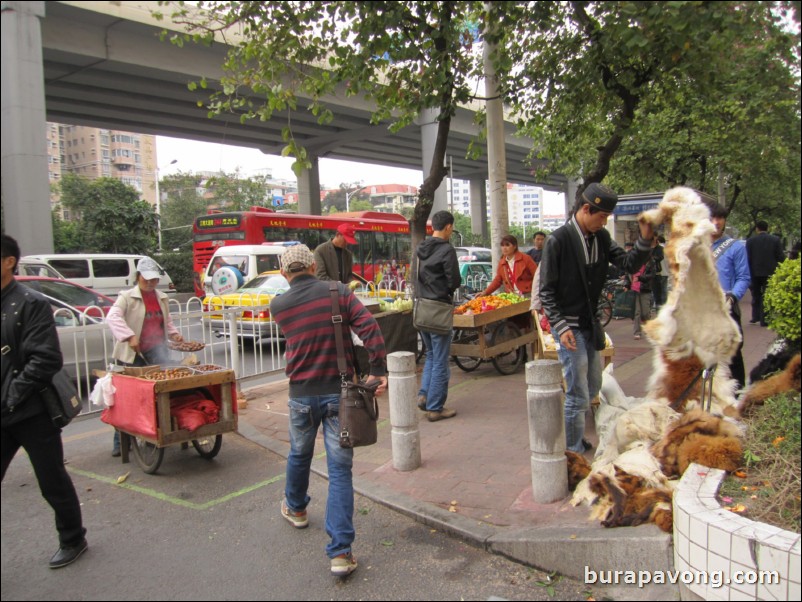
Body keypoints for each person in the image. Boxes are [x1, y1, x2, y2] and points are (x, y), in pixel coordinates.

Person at [270, 244, 387, 577]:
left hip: (300, 396)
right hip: (340, 395)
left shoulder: (278, 305)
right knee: (339, 471)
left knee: (299, 453)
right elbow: (370, 330)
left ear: (284, 272)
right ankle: (340, 553)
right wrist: (377, 370)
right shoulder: (339, 292)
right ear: (312, 265)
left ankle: (296, 508)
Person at [539, 183, 654, 454]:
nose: (604, 223)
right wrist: (560, 325)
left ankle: (576, 437)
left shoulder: (600, 238)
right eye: (601, 217)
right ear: (586, 209)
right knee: (578, 391)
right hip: (568, 325)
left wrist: (645, 240)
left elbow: (627, 264)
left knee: (593, 384)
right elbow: (546, 291)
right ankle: (572, 450)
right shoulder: (559, 240)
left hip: (589, 323)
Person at [1, 234, 88, 569]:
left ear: (9, 261)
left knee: (51, 479)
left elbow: (45, 360)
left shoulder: (30, 303)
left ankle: (73, 538)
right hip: (3, 410)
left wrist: (11, 396)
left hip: (32, 410)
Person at [106, 257, 184, 456]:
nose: (150, 283)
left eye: (153, 280)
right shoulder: (127, 297)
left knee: (154, 396)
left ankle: (150, 434)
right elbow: (112, 317)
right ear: (138, 277)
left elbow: (166, 321)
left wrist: (174, 333)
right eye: (145, 279)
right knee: (127, 399)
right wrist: (129, 336)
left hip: (156, 351)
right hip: (132, 354)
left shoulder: (161, 297)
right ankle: (119, 441)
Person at [415, 210, 461, 421]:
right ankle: (435, 407)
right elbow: (454, 281)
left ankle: (424, 395)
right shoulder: (446, 250)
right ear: (448, 227)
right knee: (441, 359)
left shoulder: (420, 248)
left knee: (431, 355)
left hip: (422, 309)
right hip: (439, 310)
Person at [709, 203, 751, 389]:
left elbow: (743, 277)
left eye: (720, 218)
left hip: (727, 309)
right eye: (712, 218)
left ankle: (737, 395)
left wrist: (733, 296)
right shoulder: (696, 246)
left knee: (733, 354)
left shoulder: (735, 247)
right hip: (703, 310)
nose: (716, 222)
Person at [745, 220, 785, 327]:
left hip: (754, 271)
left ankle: (755, 316)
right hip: (770, 271)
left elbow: (747, 258)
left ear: (757, 229)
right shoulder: (775, 240)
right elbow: (780, 256)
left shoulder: (750, 241)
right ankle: (765, 318)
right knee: (767, 294)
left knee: (756, 294)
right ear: (767, 229)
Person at [630, 242, 658, 340]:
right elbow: (628, 272)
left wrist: (641, 278)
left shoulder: (651, 262)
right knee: (637, 312)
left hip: (645, 288)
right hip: (635, 288)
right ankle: (637, 332)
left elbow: (652, 275)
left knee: (645, 312)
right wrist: (626, 284)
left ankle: (648, 329)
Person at [653, 235, 669, 307]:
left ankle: (658, 305)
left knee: (658, 290)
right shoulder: (668, 249)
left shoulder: (658, 249)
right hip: (666, 272)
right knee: (664, 290)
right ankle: (664, 305)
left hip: (659, 272)